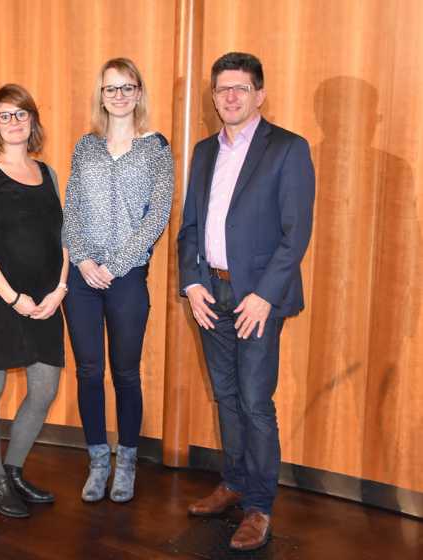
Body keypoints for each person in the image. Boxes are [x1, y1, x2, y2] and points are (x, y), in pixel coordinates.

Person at [178, 52, 315, 551]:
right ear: (213, 96)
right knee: (227, 396)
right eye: (221, 89)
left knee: (256, 404)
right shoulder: (204, 151)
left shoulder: (287, 149)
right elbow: (190, 227)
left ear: (260, 94)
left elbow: (294, 234)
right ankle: (233, 481)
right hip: (209, 293)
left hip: (257, 298)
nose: (229, 97)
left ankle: (259, 505)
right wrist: (191, 284)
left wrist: (263, 296)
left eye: (240, 88)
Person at [62, 58, 174, 503]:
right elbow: (71, 210)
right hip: (83, 277)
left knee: (126, 373)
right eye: (112, 88)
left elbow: (158, 215)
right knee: (89, 371)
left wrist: (118, 263)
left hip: (127, 278)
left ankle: (126, 462)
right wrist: (85, 260)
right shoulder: (85, 146)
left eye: (128, 87)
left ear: (140, 92)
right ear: (101, 95)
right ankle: (97, 461)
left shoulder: (156, 148)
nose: (120, 95)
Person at [0, 84, 68, 518]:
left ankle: (15, 469)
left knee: (44, 388)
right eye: (4, 115)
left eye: (21, 114)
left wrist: (59, 290)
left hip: (45, 299)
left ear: (33, 120)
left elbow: (65, 238)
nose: (14, 122)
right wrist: (13, 298)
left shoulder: (50, 174)